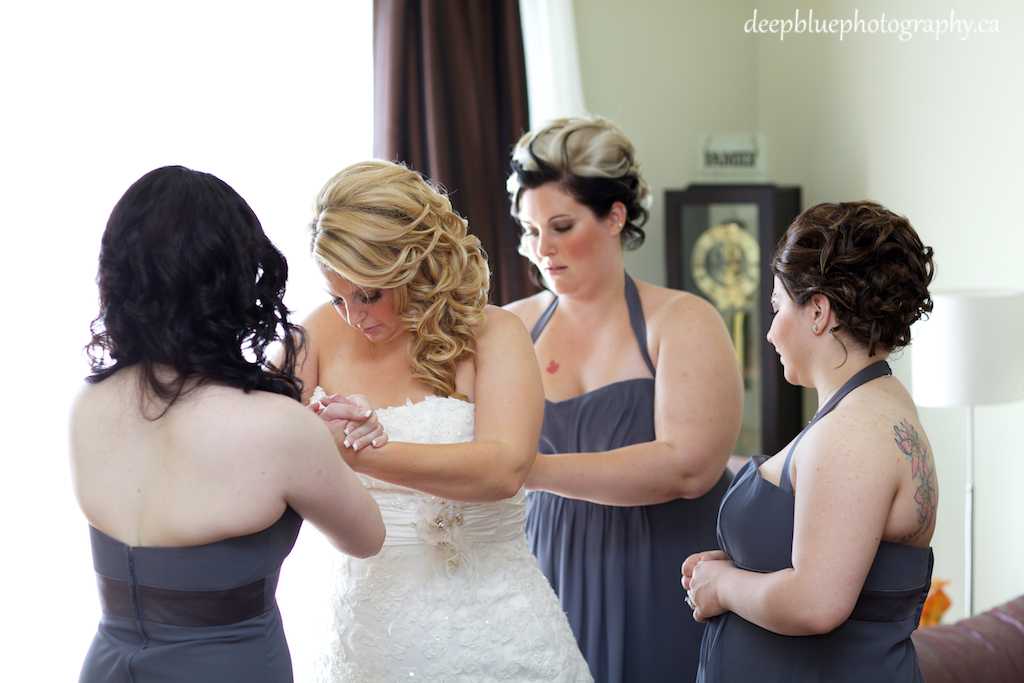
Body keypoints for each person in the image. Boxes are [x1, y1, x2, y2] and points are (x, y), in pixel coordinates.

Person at [72, 166, 386, 683]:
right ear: (236, 282)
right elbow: (365, 538)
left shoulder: (88, 403)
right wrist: (318, 446)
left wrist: (302, 443)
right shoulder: (280, 428)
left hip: (108, 666)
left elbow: (181, 469)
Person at [299, 160, 593, 682]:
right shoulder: (316, 335)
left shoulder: (495, 334)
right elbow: (266, 445)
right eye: (337, 297)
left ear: (417, 265)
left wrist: (354, 451)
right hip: (368, 632)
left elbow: (503, 470)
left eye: (369, 294)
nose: (354, 316)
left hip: (498, 625)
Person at [503, 116, 744, 683]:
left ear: (614, 216)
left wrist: (527, 469)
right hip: (548, 562)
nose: (543, 249)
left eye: (561, 226)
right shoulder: (509, 329)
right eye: (530, 230)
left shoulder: (681, 320)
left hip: (664, 567)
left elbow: (688, 466)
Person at [682, 200, 937, 682]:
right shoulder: (869, 406)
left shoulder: (855, 431)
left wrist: (724, 585)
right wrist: (744, 563)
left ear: (818, 311)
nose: (771, 331)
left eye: (777, 307)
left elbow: (817, 602)